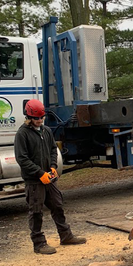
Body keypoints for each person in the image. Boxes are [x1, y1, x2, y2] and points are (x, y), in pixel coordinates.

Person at [14, 99, 86, 254]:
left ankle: (66, 236)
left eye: (41, 118)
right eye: (36, 118)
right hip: (34, 180)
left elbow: (53, 149)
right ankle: (39, 244)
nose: (39, 121)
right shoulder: (22, 134)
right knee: (36, 211)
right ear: (28, 117)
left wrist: (53, 167)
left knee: (57, 205)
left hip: (49, 176)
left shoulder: (46, 130)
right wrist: (39, 173)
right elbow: (22, 159)